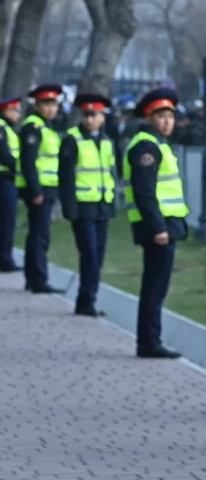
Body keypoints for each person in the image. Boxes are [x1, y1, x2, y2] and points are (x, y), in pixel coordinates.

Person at [123, 88, 189, 359]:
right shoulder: (146, 146)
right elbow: (144, 192)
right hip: (158, 228)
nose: (166, 121)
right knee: (154, 287)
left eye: (170, 116)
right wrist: (158, 227)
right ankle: (150, 342)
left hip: (165, 225)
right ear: (149, 117)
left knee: (156, 286)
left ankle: (150, 340)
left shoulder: (157, 144)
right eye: (160, 116)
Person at [59, 93, 117, 317]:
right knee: (90, 254)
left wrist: (111, 204)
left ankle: (88, 299)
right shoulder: (72, 139)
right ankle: (86, 300)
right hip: (83, 208)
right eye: (87, 114)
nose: (91, 119)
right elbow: (66, 177)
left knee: (98, 256)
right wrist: (70, 210)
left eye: (95, 114)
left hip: (102, 206)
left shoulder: (106, 140)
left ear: (103, 117)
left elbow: (110, 173)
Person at [19, 84, 64, 293]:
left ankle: (33, 277)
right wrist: (35, 190)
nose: (51, 109)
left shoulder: (47, 128)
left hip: (48, 188)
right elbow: (29, 161)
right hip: (40, 189)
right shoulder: (33, 127)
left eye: (54, 104)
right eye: (46, 104)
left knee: (39, 233)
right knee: (40, 234)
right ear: (36, 105)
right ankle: (38, 278)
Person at [0, 95, 20, 272]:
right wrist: (20, 168)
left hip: (7, 178)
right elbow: (4, 155)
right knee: (6, 221)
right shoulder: (1, 128)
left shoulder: (7, 129)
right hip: (4, 179)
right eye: (15, 110)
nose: (18, 114)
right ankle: (5, 259)